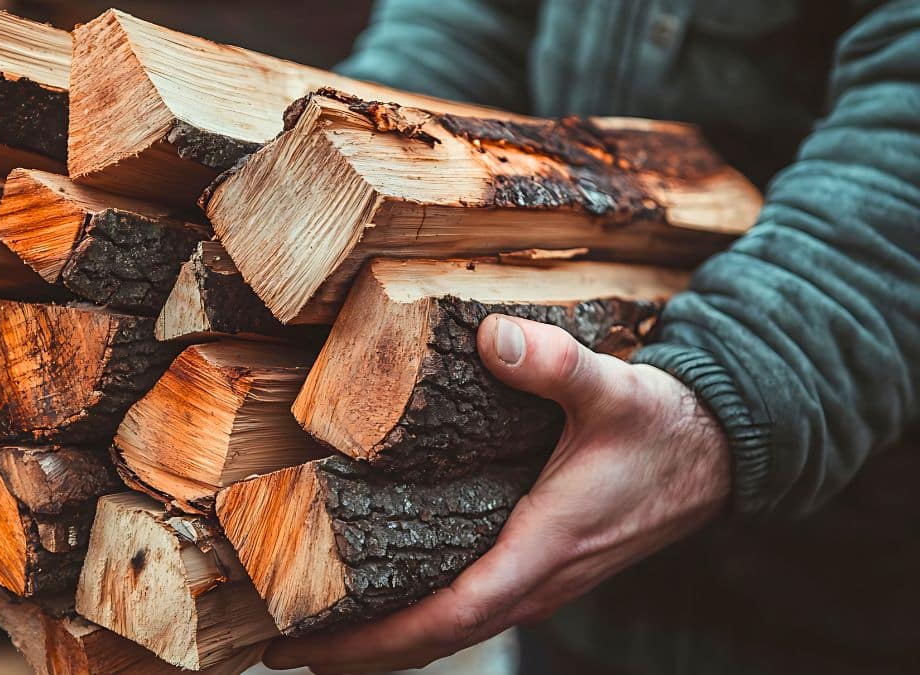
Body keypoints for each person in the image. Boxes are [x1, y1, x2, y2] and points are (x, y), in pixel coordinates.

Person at [263, 2, 920, 674]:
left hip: (836, 594)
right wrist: (342, 168)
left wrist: (729, 388)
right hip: (568, 597)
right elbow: (473, 19)